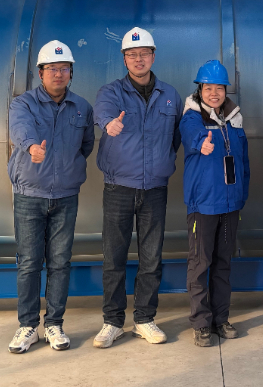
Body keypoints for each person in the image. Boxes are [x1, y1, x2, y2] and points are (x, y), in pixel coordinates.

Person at [92, 27, 183, 348]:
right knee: (113, 258)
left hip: (155, 188)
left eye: (144, 53)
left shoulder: (170, 95)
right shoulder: (111, 92)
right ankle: (112, 322)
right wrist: (109, 123)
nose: (138, 59)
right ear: (124, 59)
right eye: (132, 55)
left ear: (153, 56)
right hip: (118, 187)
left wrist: (160, 165)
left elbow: (176, 137)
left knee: (151, 257)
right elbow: (102, 112)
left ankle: (144, 318)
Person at [6, 40, 94, 353]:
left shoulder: (81, 107)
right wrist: (32, 147)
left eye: (64, 68)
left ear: (71, 73)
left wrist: (67, 169)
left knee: (60, 262)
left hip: (66, 196)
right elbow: (20, 129)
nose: (58, 74)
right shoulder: (24, 104)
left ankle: (54, 324)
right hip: (30, 195)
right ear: (40, 73)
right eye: (52, 69)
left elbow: (86, 145)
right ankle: (28, 326)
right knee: (29, 263)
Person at [180, 60, 250, 347]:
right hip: (204, 205)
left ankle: (221, 319)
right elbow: (191, 135)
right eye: (208, 88)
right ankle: (201, 323)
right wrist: (202, 143)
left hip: (230, 205)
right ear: (200, 90)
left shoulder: (234, 119)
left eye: (219, 88)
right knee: (200, 264)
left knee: (223, 264)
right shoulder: (192, 117)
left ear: (225, 91)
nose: (214, 93)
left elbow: (243, 161)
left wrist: (241, 194)